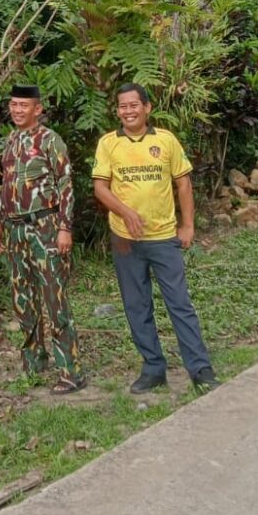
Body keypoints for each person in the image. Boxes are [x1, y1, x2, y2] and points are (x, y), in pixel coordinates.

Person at [92, 83, 218, 394]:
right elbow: (101, 188)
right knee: (137, 306)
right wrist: (126, 212)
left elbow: (183, 183)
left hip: (163, 238)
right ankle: (153, 368)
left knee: (180, 303)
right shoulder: (109, 144)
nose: (128, 111)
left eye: (134, 105)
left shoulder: (166, 140)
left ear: (147, 108)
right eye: (122, 106)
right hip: (125, 240)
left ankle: (200, 370)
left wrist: (188, 225)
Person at [0, 84, 85, 395]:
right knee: (23, 299)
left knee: (53, 298)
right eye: (14, 104)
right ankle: (34, 362)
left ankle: (70, 370)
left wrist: (65, 227)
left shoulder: (49, 141)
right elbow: (6, 185)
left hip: (45, 227)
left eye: (24, 105)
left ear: (38, 109)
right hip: (16, 230)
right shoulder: (12, 140)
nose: (17, 110)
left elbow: (66, 186)